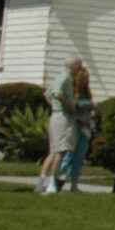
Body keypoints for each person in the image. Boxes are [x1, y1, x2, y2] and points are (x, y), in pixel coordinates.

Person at [38, 56, 86, 195]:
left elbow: (47, 94)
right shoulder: (65, 78)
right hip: (62, 116)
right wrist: (69, 106)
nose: (81, 68)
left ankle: (41, 185)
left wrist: (55, 106)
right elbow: (56, 94)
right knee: (61, 150)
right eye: (79, 65)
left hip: (58, 114)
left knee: (54, 151)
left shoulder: (63, 78)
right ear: (74, 66)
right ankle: (52, 185)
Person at [59, 63, 97, 192]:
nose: (87, 81)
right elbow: (70, 108)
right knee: (69, 155)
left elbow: (91, 107)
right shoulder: (73, 94)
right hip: (75, 125)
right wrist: (79, 118)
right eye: (85, 79)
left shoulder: (87, 95)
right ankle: (58, 180)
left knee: (79, 156)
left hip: (86, 128)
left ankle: (74, 184)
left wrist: (91, 114)